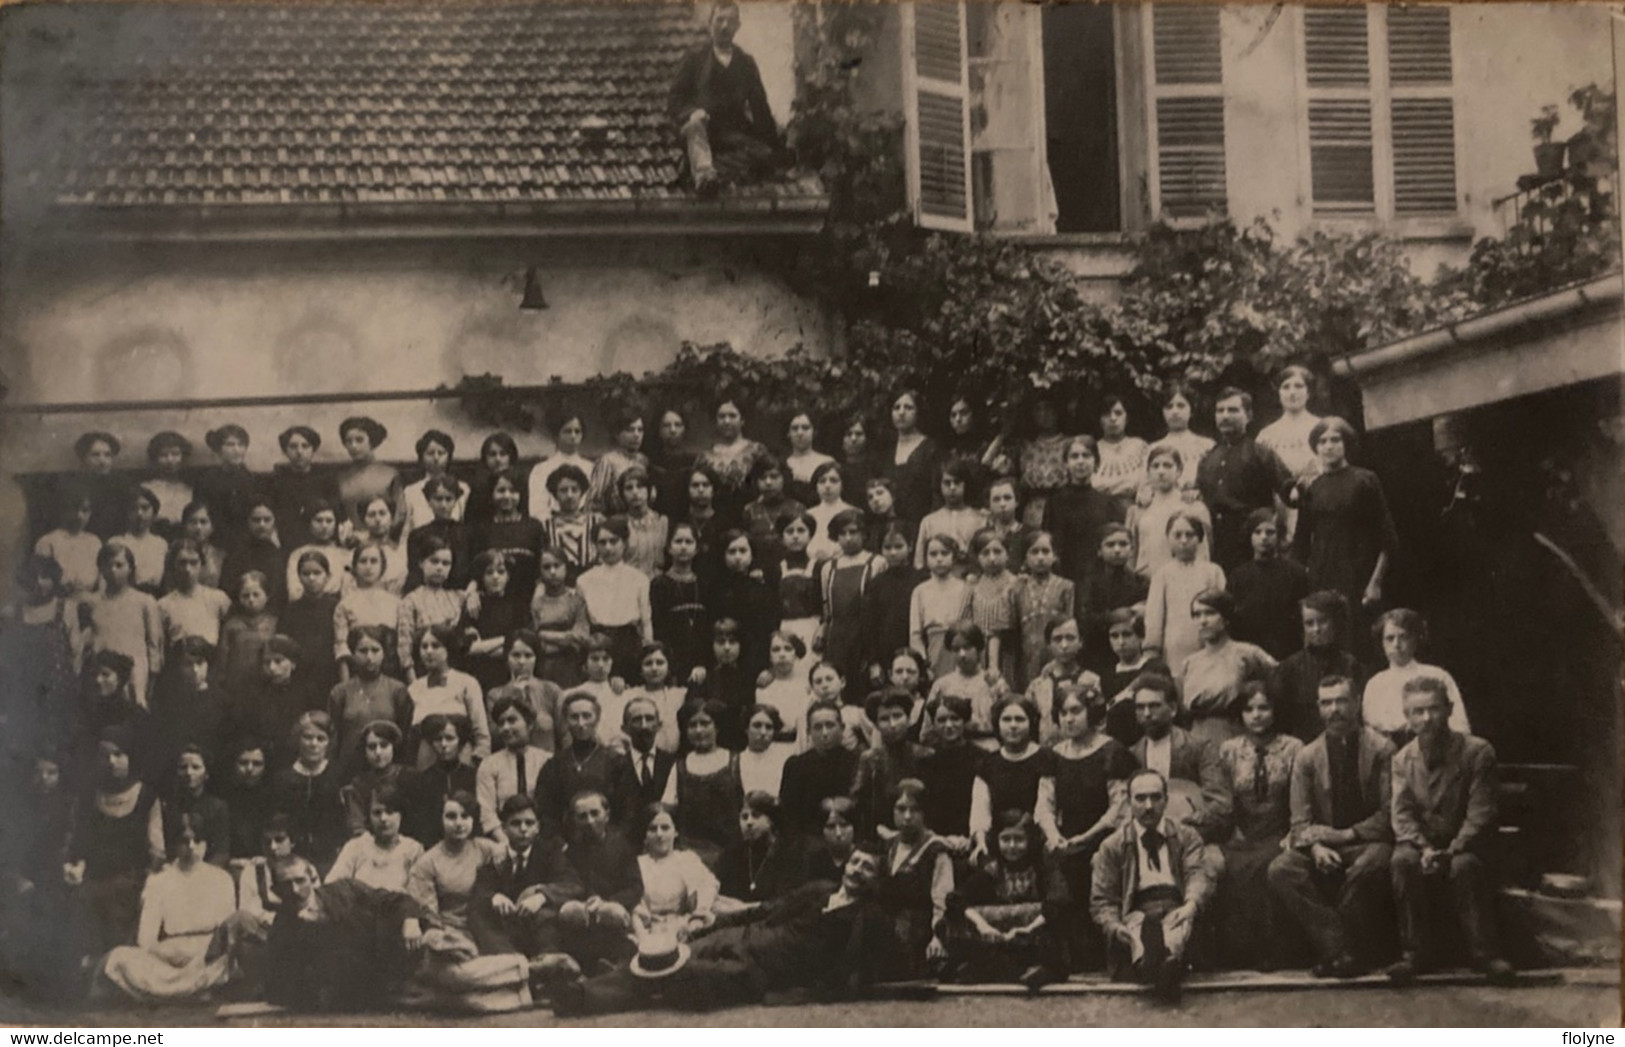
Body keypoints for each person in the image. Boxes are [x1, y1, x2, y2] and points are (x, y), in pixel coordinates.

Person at [551, 844, 893, 1017]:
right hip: (739, 940)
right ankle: (583, 992)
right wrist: (707, 925)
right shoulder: (819, 889)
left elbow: (865, 965)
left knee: (680, 974)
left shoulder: (869, 916)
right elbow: (762, 910)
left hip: (757, 970)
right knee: (662, 958)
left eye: (868, 868)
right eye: (855, 862)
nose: (857, 870)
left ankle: (584, 997)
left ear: (877, 879)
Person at [1387, 676, 1514, 985]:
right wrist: (1425, 849)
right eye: (1417, 712)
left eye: (1434, 709)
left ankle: (1485, 954)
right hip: (1423, 845)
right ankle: (1415, 953)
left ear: (1449, 709)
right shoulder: (1403, 759)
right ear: (1407, 717)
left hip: (1468, 843)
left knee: (1464, 865)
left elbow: (1481, 813)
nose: (1426, 718)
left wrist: (1453, 848)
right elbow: (1401, 814)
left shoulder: (1477, 752)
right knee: (1402, 861)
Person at [1268, 674, 1396, 979]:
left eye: (1341, 701)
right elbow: (1300, 819)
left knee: (1368, 867)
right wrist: (1314, 847)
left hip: (1368, 841)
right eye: (1327, 703)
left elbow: (1390, 812)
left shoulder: (1382, 749)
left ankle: (1339, 953)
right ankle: (1340, 949)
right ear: (1318, 707)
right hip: (1322, 842)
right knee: (1281, 869)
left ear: (1356, 703)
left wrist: (1347, 835)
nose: (1334, 709)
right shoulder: (1307, 756)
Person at [402, 791, 536, 1013]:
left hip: (485, 934)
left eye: (465, 816)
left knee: (463, 994)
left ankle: (501, 991)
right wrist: (447, 941)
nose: (459, 823)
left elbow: (516, 868)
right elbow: (429, 916)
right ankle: (528, 975)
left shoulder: (487, 849)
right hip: (451, 940)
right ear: (441, 819)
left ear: (473, 819)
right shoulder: (428, 863)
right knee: (457, 975)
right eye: (451, 816)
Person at [1090, 769, 1216, 1001]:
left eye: (1156, 798)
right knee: (1138, 931)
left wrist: (1190, 905)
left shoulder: (1186, 836)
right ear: (1129, 802)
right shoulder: (1112, 846)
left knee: (1177, 928)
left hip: (1175, 903)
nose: (1149, 806)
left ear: (1166, 800)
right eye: (1140, 798)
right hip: (1137, 909)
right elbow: (1102, 900)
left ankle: (1157, 963)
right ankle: (1159, 963)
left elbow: (1198, 875)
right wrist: (1116, 927)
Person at [1042, 679, 1135, 971]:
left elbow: (1118, 809)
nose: (1068, 719)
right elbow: (1044, 803)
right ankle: (1065, 960)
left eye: (1076, 711)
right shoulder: (1055, 754)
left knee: (1097, 864)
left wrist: (1086, 837)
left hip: (1106, 836)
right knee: (1053, 863)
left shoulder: (1112, 751)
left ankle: (1109, 956)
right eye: (1062, 713)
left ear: (1090, 713)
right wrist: (1054, 835)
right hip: (1067, 838)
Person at [1213, 684, 1302, 971]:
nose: (1256, 715)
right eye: (1249, 709)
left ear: (1275, 712)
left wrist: (1291, 833)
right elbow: (1224, 798)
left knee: (1266, 867)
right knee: (1233, 866)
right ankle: (1239, 953)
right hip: (1241, 833)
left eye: (1264, 708)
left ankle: (1273, 950)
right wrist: (1233, 830)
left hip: (1281, 832)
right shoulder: (1230, 750)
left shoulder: (1293, 748)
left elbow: (1299, 798)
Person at [100, 815, 236, 1002]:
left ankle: (174, 992)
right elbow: (146, 939)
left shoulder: (221, 879)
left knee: (230, 960)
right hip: (168, 957)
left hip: (206, 956)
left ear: (206, 844)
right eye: (184, 841)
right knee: (119, 958)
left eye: (197, 841)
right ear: (174, 845)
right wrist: (168, 953)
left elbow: (227, 932)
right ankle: (190, 992)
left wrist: (203, 952)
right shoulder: (159, 881)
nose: (191, 847)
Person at [261, 855, 423, 1012]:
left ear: (312, 878)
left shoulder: (345, 890)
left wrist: (411, 920)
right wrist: (304, 930)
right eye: (286, 885)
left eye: (300, 881)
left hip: (401, 957)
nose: (295, 890)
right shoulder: (282, 930)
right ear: (276, 890)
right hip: (370, 991)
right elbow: (279, 988)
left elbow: (394, 900)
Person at [59, 727, 159, 965]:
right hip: (94, 875)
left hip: (133, 877)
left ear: (130, 757)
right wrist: (75, 866)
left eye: (118, 754)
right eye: (105, 756)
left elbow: (156, 847)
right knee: (79, 899)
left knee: (114, 897)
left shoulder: (146, 796)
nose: (111, 762)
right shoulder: (89, 796)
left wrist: (151, 875)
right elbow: (78, 841)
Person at [668, 0, 784, 196]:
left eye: (730, 22)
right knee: (695, 127)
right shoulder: (694, 58)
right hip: (702, 133)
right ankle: (705, 176)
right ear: (709, 24)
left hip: (732, 137)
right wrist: (693, 112)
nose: (724, 27)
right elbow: (674, 100)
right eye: (719, 20)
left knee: (765, 155)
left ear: (737, 26)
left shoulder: (746, 63)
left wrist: (773, 148)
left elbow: (760, 110)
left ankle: (710, 172)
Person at [1293, 417, 1399, 627]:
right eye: (1322, 442)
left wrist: (1375, 583)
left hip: (1358, 574)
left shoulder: (1365, 480)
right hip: (1323, 576)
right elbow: (1301, 541)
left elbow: (1387, 538)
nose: (1328, 446)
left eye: (1335, 440)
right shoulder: (1313, 488)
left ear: (1346, 444)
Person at [1127, 674, 1232, 870]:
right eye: (1140, 707)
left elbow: (1221, 804)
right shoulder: (1131, 755)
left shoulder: (1199, 748)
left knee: (1213, 864)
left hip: (1193, 836)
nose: (1147, 713)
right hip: (1145, 838)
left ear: (1173, 709)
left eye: (1154, 706)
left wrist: (1181, 828)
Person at [467, 794, 579, 962]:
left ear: (538, 827)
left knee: (547, 915)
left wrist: (541, 896)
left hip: (542, 931)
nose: (523, 829)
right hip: (508, 933)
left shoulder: (549, 853)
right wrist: (495, 898)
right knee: (478, 916)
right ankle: (513, 962)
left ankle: (547, 963)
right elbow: (480, 890)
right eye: (515, 823)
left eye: (529, 823)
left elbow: (573, 884)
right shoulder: (497, 857)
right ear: (504, 828)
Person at [1196, 388, 1293, 572]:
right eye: (1220, 410)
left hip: (1250, 542)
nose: (1225, 416)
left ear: (1248, 415)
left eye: (1233, 410)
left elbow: (1289, 489)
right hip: (1215, 542)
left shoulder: (1261, 454)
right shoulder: (1208, 457)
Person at [556, 790, 643, 971]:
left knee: (614, 915)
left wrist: (607, 902)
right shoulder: (570, 852)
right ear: (574, 821)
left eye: (595, 813)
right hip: (583, 914)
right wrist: (587, 901)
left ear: (607, 815)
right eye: (582, 816)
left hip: (613, 913)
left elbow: (635, 886)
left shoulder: (622, 847)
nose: (589, 821)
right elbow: (569, 883)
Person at [1176, 589, 1278, 745]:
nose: (1203, 620)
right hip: (1196, 740)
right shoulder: (1189, 663)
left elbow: (1278, 681)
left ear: (1226, 618)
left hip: (1235, 736)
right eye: (1197, 615)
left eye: (1210, 613)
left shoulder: (1247, 654)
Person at [1268, 590, 1368, 743]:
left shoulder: (1350, 665)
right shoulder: (1289, 668)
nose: (1316, 629)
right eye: (1309, 623)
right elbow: (1280, 718)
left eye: (1322, 621)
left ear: (1335, 623)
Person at [534, 694, 638, 839]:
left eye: (587, 716)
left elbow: (629, 810)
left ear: (597, 719)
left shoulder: (616, 761)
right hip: (567, 845)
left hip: (608, 843)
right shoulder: (554, 765)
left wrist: (612, 842)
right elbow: (547, 813)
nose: (581, 723)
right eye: (574, 717)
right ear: (566, 721)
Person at [878, 779, 953, 978]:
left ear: (924, 813)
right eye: (901, 809)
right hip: (887, 927)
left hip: (918, 930)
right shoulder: (888, 847)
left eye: (915, 810)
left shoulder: (935, 850)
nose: (907, 816)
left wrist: (938, 937)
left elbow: (942, 899)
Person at [1362, 608, 1471, 745]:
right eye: (1390, 638)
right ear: (1382, 643)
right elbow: (1369, 731)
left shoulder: (1437, 676)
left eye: (1404, 637)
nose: (1396, 645)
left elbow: (1460, 725)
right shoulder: (1375, 684)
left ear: (1415, 640)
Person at [969, 697, 1057, 862]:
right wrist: (981, 842)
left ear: (1031, 722)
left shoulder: (1045, 758)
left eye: (1020, 719)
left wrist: (1051, 838)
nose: (1013, 725)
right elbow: (980, 809)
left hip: (1038, 843)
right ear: (998, 723)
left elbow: (1046, 807)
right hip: (1002, 845)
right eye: (1007, 719)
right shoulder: (988, 763)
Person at [1143, 512, 1226, 680]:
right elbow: (1154, 617)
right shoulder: (1162, 574)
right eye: (1177, 535)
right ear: (1168, 538)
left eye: (1190, 535)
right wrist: (1152, 651)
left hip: (1207, 644)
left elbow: (1223, 610)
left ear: (1200, 539)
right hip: (1174, 648)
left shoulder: (1212, 571)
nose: (1183, 540)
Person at [82, 542, 164, 709]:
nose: (113, 570)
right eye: (108, 565)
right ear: (100, 568)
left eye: (119, 565)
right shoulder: (92, 602)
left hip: (134, 674)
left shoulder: (145, 602)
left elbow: (154, 644)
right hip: (102, 676)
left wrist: (152, 677)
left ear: (130, 568)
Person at [1226, 508, 1312, 660]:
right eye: (1257, 532)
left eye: (1270, 532)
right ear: (1250, 537)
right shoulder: (1238, 577)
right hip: (1251, 654)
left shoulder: (1295, 573)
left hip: (1287, 652)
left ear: (1279, 535)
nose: (1263, 537)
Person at [1043, 436, 1125, 591]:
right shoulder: (1055, 502)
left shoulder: (1109, 503)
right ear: (1066, 464)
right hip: (1064, 578)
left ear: (1097, 463)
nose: (1080, 461)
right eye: (1074, 456)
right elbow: (1050, 543)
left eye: (1086, 455)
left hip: (1099, 582)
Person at [270, 712, 347, 874]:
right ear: (298, 739)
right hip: (292, 858)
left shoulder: (338, 775)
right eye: (307, 737)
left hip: (331, 858)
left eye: (321, 739)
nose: (314, 744)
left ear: (329, 743)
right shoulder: (283, 779)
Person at [633, 804, 720, 943]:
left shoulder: (686, 860)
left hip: (683, 928)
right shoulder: (638, 864)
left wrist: (696, 919)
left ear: (675, 832)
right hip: (645, 932)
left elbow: (706, 887)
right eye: (653, 829)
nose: (659, 834)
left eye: (665, 828)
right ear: (645, 835)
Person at [819, 509, 883, 692]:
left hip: (865, 636)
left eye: (853, 532)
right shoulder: (828, 568)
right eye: (842, 533)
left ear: (863, 534)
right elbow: (827, 608)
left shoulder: (876, 563)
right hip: (837, 638)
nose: (848, 538)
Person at [852, 689, 932, 836]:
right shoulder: (870, 760)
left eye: (897, 716)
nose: (892, 724)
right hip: (880, 835)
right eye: (884, 719)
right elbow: (859, 805)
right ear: (876, 725)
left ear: (909, 719)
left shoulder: (925, 756)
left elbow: (933, 805)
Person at [328, 626, 412, 766]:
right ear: (353, 653)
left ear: (384, 653)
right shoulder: (340, 692)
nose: (369, 657)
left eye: (375, 650)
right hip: (349, 769)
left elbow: (405, 736)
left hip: (387, 769)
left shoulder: (397, 690)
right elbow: (333, 738)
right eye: (363, 651)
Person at [407, 625, 490, 766]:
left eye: (435, 646)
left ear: (448, 649)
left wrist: (479, 762)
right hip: (426, 762)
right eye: (424, 646)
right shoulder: (414, 688)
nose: (429, 651)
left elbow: (481, 732)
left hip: (462, 760)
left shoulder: (467, 683)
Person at [1255, 365, 1322, 541]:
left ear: (1309, 392)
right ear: (1279, 393)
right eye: (1286, 387)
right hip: (1280, 507)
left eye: (1299, 386)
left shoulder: (1322, 427)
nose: (1292, 392)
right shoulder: (1266, 436)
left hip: (1317, 501)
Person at [777, 701, 860, 840]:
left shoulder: (857, 762)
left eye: (830, 725)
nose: (825, 733)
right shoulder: (796, 766)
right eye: (817, 727)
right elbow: (788, 818)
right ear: (808, 732)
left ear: (842, 727)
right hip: (808, 844)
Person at [1129, 444, 1211, 578]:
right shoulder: (1139, 509)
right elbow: (1132, 552)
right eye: (1155, 466)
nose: (1161, 471)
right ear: (1148, 472)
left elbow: (1204, 554)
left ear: (1179, 471)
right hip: (1145, 581)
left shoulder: (1194, 507)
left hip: (1183, 579)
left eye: (1167, 465)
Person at [477, 697, 550, 845]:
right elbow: (486, 810)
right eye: (501, 723)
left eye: (512, 720)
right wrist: (504, 842)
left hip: (542, 840)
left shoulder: (547, 761)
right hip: (503, 840)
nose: (505, 728)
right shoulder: (489, 765)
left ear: (529, 724)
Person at [328, 783, 424, 893]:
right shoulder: (355, 847)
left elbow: (417, 897)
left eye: (390, 811)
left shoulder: (413, 850)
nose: (383, 818)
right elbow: (332, 888)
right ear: (368, 816)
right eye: (377, 813)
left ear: (400, 815)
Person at [925, 623, 1007, 751]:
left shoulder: (995, 683)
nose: (962, 654)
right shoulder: (942, 685)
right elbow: (928, 730)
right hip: (950, 750)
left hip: (988, 747)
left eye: (968, 647)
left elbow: (1006, 722)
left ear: (979, 648)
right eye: (956, 649)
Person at [858, 525, 920, 691]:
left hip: (916, 650)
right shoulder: (876, 584)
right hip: (886, 655)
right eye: (887, 547)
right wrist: (873, 662)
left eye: (898, 547)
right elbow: (869, 626)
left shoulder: (921, 580)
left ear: (911, 546)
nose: (893, 552)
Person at [397, 535, 467, 679]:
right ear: (421, 563)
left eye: (446, 563)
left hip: (457, 670)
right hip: (424, 672)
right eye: (434, 561)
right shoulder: (410, 601)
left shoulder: (458, 597)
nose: (440, 568)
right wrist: (414, 683)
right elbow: (405, 645)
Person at [404, 714, 479, 847]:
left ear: (460, 741)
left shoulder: (474, 776)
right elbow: (420, 825)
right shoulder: (422, 780)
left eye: (450, 738)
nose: (444, 745)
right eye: (438, 739)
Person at [487, 630, 565, 756]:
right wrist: (514, 694)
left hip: (547, 766)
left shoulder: (551, 690)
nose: (522, 662)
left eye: (528, 656)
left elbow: (565, 735)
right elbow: (495, 738)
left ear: (536, 659)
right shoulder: (495, 695)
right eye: (516, 655)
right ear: (507, 658)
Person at [461, 551, 528, 697]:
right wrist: (506, 639)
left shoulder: (517, 605)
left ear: (508, 576)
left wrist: (485, 646)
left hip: (510, 674)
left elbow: (522, 644)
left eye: (501, 572)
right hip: (480, 674)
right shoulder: (474, 605)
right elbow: (471, 648)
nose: (495, 577)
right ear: (481, 577)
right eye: (489, 572)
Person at [471, 469, 546, 601]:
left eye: (513, 491)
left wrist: (540, 591)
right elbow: (475, 568)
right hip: (492, 601)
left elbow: (542, 564)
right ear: (491, 494)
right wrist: (472, 593)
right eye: (501, 490)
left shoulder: (534, 527)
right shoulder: (482, 528)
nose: (507, 496)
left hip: (528, 599)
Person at [1013, 532, 1075, 690]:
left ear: (1054, 556)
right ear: (1025, 558)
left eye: (1046, 551)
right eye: (1034, 552)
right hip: (1025, 657)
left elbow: (1070, 625)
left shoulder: (1066, 587)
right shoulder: (1017, 588)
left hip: (1057, 655)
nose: (1040, 557)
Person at [717, 791, 803, 904]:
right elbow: (715, 893)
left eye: (756, 815)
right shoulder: (731, 855)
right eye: (744, 817)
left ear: (770, 820)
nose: (749, 822)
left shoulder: (787, 853)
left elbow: (786, 901)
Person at [1080, 524, 1148, 663]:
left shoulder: (1141, 582)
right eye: (1110, 545)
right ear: (1099, 550)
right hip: (1098, 651)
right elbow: (1084, 619)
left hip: (1133, 653)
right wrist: (1111, 617)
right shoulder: (1090, 584)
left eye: (1123, 544)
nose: (1117, 550)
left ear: (1132, 549)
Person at [334, 545, 402, 681]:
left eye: (374, 561)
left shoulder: (396, 603)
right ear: (354, 566)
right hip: (358, 675)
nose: (368, 567)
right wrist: (346, 686)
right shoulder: (346, 604)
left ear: (383, 566)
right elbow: (341, 647)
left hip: (391, 673)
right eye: (363, 561)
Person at [267, 425, 341, 551]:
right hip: (286, 543)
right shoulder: (276, 482)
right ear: (285, 451)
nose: (299, 452)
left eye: (305, 446)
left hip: (320, 542)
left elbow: (336, 513)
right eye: (293, 447)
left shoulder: (326, 481)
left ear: (313, 450)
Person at [280, 550, 342, 699]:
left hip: (330, 675)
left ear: (327, 576)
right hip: (300, 678)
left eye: (317, 573)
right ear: (299, 577)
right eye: (306, 574)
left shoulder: (337, 608)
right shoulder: (290, 610)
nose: (311, 578)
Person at [696, 399, 769, 523]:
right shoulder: (705, 457)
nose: (727, 421)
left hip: (750, 516)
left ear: (742, 420)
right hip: (715, 517)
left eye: (732, 416)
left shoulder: (757, 451)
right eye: (722, 416)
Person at [916, 696, 978, 841]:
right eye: (941, 720)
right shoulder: (925, 759)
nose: (948, 725)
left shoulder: (980, 758)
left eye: (955, 718)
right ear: (933, 723)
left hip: (969, 836)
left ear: (965, 721)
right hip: (934, 837)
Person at [529, 546, 591, 691]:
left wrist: (544, 634)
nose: (552, 572)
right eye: (546, 567)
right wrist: (563, 637)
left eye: (557, 566)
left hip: (570, 666)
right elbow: (533, 639)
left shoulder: (575, 600)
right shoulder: (537, 603)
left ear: (566, 568)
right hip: (543, 667)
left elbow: (581, 636)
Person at [909, 536, 971, 681]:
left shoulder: (965, 588)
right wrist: (924, 664)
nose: (939, 559)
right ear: (926, 558)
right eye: (933, 554)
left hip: (960, 649)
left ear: (954, 557)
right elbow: (915, 634)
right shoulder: (920, 591)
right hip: (934, 652)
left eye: (944, 553)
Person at [1022, 616, 1091, 745]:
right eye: (1057, 639)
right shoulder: (1038, 685)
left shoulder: (1091, 681)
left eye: (1070, 638)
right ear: (1048, 644)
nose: (1064, 645)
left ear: (1080, 642)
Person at [339, 720, 411, 836]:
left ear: (393, 747)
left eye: (384, 745)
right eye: (372, 747)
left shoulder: (410, 777)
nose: (378, 752)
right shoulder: (359, 784)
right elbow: (357, 826)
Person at [914, 460, 987, 574]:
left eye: (957, 482)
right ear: (940, 485)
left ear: (965, 484)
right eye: (947, 483)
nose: (952, 487)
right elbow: (919, 563)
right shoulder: (929, 521)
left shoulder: (980, 519)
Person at [335, 416, 404, 536]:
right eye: (349, 441)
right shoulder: (341, 478)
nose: (354, 446)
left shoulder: (389, 474)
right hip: (350, 541)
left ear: (371, 441)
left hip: (384, 539)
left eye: (359, 440)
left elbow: (400, 513)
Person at [883, 389, 941, 530]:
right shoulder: (886, 450)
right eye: (896, 407)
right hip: (889, 528)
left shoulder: (930, 448)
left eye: (908, 408)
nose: (901, 412)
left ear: (918, 412)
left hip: (921, 525)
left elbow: (937, 494)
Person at [195, 425, 259, 550]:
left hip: (247, 543)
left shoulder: (252, 480)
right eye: (230, 445)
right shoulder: (207, 480)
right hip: (215, 542)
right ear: (218, 449)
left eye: (241, 445)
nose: (237, 450)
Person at [967, 529, 1019, 683]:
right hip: (979, 654)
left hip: (1008, 654)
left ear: (1007, 553)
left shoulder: (1015, 584)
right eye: (985, 553)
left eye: (997, 551)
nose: (992, 558)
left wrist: (994, 664)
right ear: (977, 557)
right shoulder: (973, 585)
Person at [34, 484, 103, 598]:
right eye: (74, 508)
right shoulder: (48, 542)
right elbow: (42, 582)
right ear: (64, 509)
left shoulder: (95, 542)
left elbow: (101, 582)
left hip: (88, 603)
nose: (79, 515)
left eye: (84, 510)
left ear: (90, 513)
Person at [529, 407, 595, 522]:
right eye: (567, 431)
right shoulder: (541, 469)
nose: (573, 436)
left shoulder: (592, 468)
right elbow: (537, 509)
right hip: (553, 527)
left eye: (577, 431)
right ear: (556, 434)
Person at [220, 499, 288, 612]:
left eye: (267, 520)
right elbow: (227, 590)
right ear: (248, 522)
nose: (262, 525)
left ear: (274, 522)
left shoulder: (280, 555)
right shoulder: (236, 555)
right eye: (256, 520)